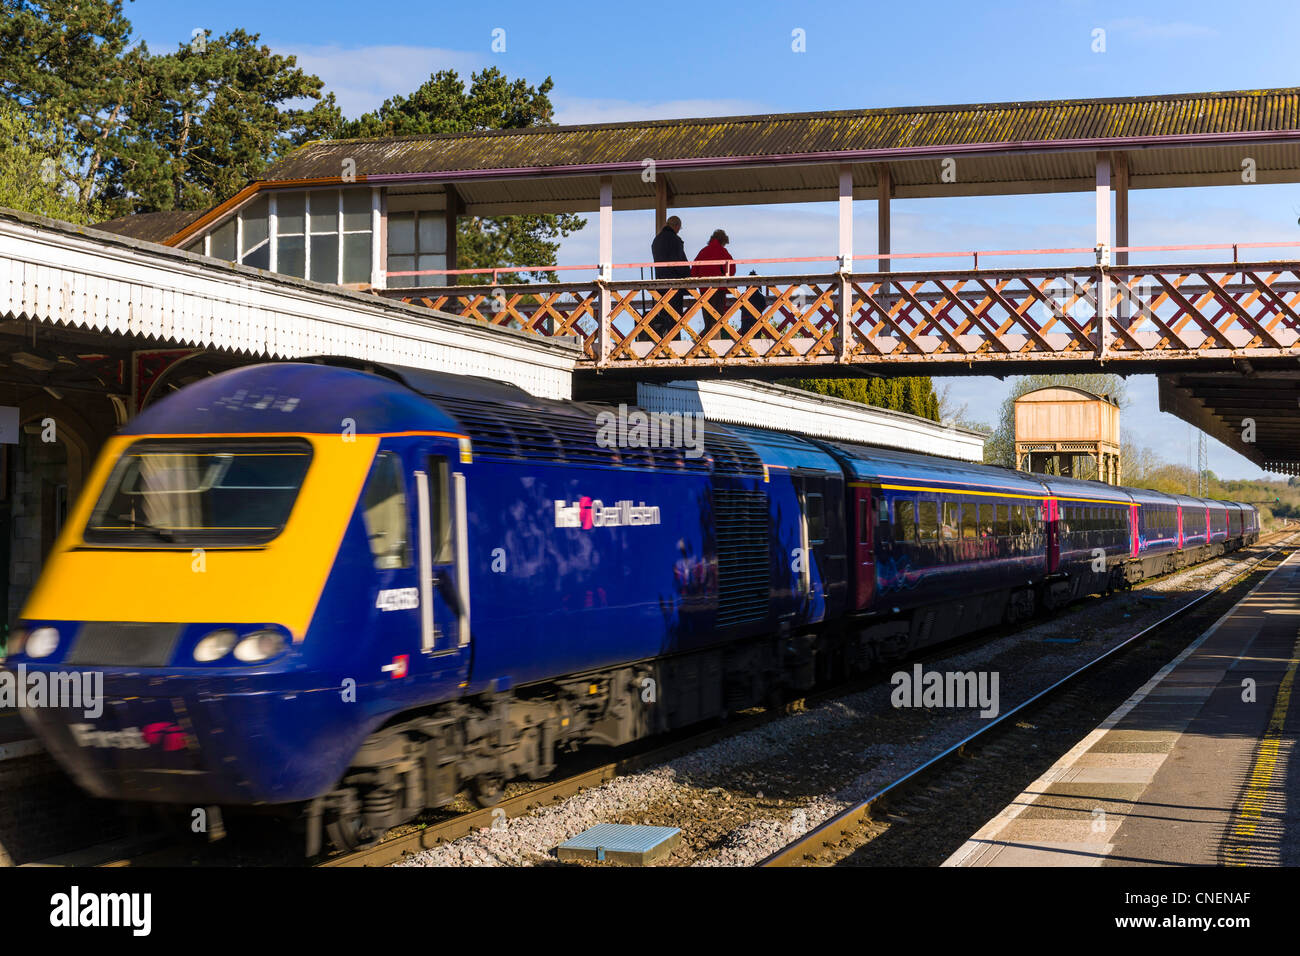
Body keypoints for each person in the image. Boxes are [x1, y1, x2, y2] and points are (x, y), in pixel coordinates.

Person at [650, 216, 689, 341]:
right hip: (674, 284)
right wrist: (688, 278)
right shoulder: (675, 240)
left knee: (664, 314)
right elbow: (679, 261)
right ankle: (675, 341)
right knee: (675, 316)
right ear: (676, 226)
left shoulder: (656, 240)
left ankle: (664, 340)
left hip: (661, 283)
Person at [691, 229, 735, 331]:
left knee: (707, 319)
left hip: (704, 290)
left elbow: (693, 271)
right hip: (719, 289)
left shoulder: (703, 251)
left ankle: (707, 342)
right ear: (722, 241)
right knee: (718, 320)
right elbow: (732, 269)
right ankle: (715, 341)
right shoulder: (723, 251)